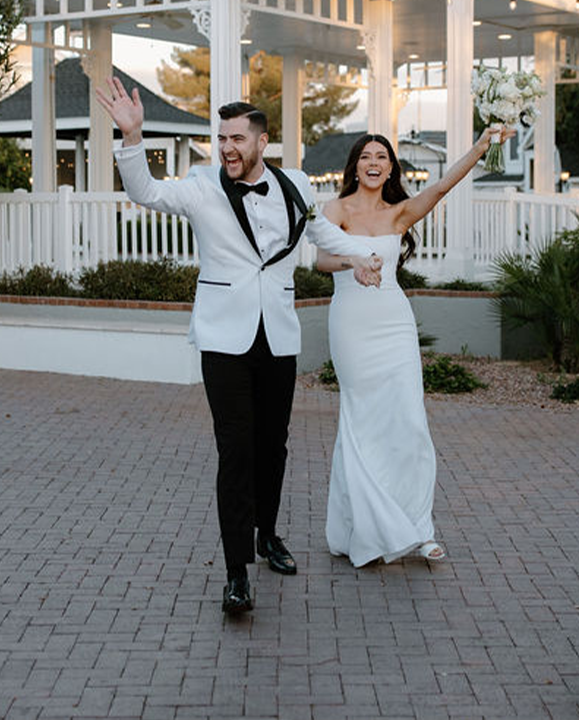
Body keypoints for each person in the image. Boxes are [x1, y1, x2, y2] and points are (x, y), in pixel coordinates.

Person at [93, 79, 377, 614]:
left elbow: (318, 233)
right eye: (221, 138)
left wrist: (361, 254)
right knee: (235, 450)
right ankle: (236, 572)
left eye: (237, 139)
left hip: (279, 337)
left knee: (274, 446)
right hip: (224, 339)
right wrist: (131, 137)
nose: (227, 147)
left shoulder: (293, 184)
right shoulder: (202, 184)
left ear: (261, 142)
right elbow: (146, 193)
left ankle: (267, 535)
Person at [312, 125, 513, 567]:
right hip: (352, 324)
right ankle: (364, 526)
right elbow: (321, 259)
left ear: (390, 168)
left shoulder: (398, 214)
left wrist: (481, 146)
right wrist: (353, 260)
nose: (373, 163)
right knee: (363, 420)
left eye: (382, 157)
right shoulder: (336, 209)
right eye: (366, 156)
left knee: (409, 422)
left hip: (393, 322)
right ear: (355, 165)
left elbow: (441, 187)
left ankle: (418, 527)